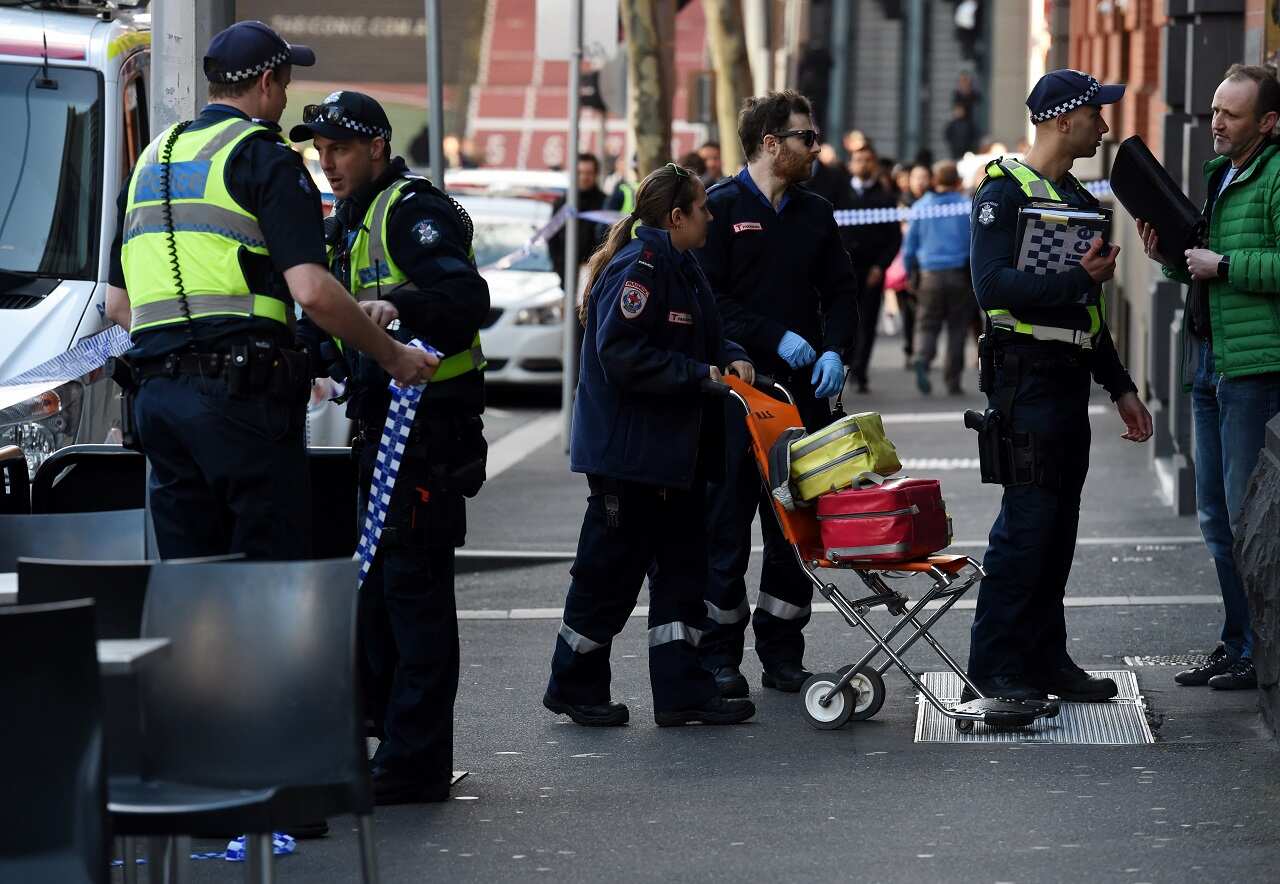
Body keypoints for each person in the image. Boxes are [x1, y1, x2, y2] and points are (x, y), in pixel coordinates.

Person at [103, 21, 434, 563]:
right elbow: (312, 291)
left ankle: (195, 653)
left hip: (156, 401)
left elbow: (119, 306)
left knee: (190, 577)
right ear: (263, 84)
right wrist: (393, 356)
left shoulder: (152, 162)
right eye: (282, 85)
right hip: (241, 400)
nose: (283, 99)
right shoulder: (264, 157)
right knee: (266, 578)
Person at [291, 90, 489, 803]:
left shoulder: (411, 209)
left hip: (429, 435)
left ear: (377, 145)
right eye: (318, 149)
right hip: (382, 433)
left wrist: (400, 308)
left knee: (413, 598)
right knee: (377, 593)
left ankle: (416, 762)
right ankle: (385, 738)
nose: (327, 161)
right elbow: (337, 325)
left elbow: (465, 299)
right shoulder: (349, 220)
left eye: (338, 147)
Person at [544, 164, 757, 728]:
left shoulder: (681, 264)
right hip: (631, 459)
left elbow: (701, 334)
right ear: (676, 216)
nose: (711, 216)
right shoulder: (639, 267)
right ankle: (575, 684)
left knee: (683, 575)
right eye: (703, 208)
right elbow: (621, 354)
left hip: (672, 458)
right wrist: (698, 374)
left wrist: (730, 352)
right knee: (608, 575)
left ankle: (682, 689)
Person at [966, 68, 1153, 703]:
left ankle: (1045, 659)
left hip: (1069, 380)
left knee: (1058, 531)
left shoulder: (1075, 198)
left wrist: (1121, 386)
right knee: (1026, 528)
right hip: (1024, 380)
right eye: (1096, 114)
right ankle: (995, 668)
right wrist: (1078, 279)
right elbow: (991, 285)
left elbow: (1089, 315)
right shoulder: (1003, 192)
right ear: (1061, 120)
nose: (1104, 125)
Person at [696, 91, 860, 697]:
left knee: (794, 530)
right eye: (806, 138)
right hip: (739, 402)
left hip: (801, 406)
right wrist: (774, 336)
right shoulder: (718, 209)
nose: (816, 147)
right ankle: (719, 657)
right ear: (772, 145)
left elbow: (843, 294)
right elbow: (709, 302)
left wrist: (837, 351)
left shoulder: (816, 213)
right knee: (725, 533)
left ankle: (783, 650)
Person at [1137, 63, 1280, 691]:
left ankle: (1257, 649)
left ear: (1268, 123)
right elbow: (1199, 269)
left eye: (1231, 114)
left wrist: (1222, 263)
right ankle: (1235, 640)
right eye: (1215, 109)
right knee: (1216, 516)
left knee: (1249, 518)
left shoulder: (1276, 175)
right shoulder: (1221, 174)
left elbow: (1239, 265)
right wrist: (1172, 257)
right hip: (1208, 359)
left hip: (1254, 369)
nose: (1215, 122)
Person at [903, 160, 975, 395]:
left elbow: (910, 247)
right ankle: (952, 380)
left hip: (929, 275)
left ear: (934, 180)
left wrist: (910, 272)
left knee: (927, 324)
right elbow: (975, 242)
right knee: (957, 328)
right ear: (957, 181)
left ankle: (922, 358)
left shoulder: (921, 206)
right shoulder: (965, 207)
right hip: (959, 274)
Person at [838, 142, 902, 393]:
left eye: (867, 160)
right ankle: (845, 362)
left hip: (871, 270)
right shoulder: (840, 194)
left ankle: (860, 371)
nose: (862, 164)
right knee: (844, 319)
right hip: (843, 270)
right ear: (851, 164)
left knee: (867, 321)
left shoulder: (884, 198)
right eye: (858, 159)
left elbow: (893, 238)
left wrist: (880, 266)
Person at [550, 153, 608, 288]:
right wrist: (559, 267)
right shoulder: (562, 202)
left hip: (595, 274)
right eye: (580, 172)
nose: (584, 177)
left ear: (596, 174)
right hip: (566, 272)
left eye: (588, 173)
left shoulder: (605, 202)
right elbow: (552, 238)